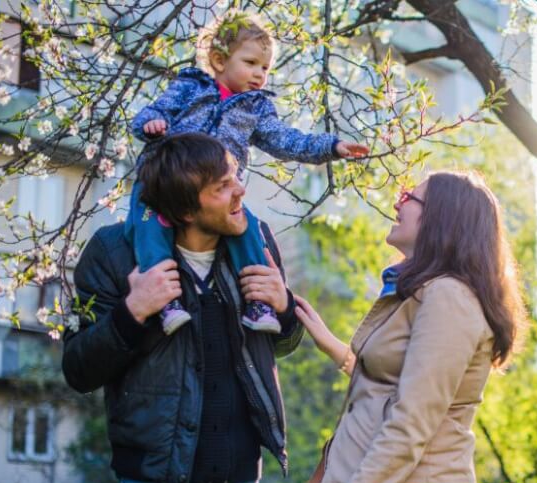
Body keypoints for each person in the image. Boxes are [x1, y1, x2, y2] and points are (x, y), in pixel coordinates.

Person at [62, 133, 302, 483]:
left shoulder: (256, 243)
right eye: (222, 186)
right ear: (187, 210)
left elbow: (278, 342)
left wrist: (286, 307)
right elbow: (78, 368)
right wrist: (134, 311)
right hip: (154, 480)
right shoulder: (115, 252)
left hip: (235, 480)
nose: (240, 192)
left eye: (236, 176)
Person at [294, 171, 526, 483]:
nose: (397, 202)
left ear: (440, 218)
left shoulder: (449, 298)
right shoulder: (425, 294)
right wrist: (332, 344)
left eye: (409, 197)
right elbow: (391, 381)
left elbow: (414, 415)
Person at [129, 9, 368, 335]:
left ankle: (258, 304)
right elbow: (152, 112)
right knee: (148, 227)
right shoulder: (189, 86)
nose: (259, 74)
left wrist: (331, 146)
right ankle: (166, 300)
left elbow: (287, 140)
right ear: (218, 59)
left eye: (265, 67)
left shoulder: (254, 107)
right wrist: (151, 125)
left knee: (247, 229)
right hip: (166, 180)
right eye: (251, 63)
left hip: (218, 191)